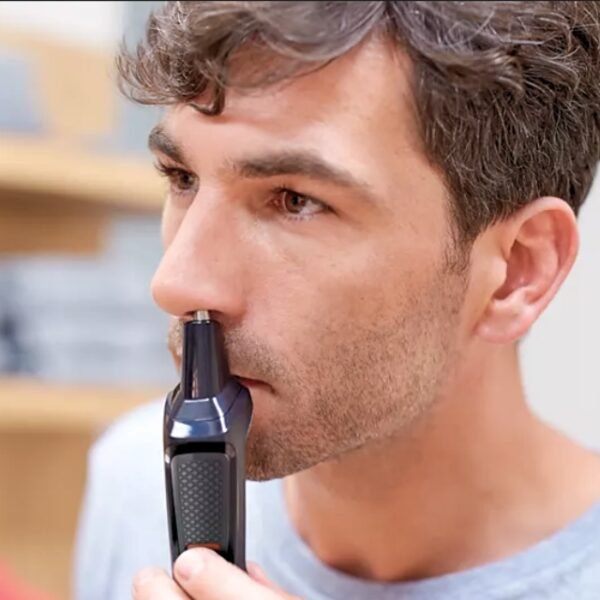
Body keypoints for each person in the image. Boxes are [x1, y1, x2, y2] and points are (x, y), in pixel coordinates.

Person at [73, 2, 600, 599]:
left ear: (518, 271)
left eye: (295, 200)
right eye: (182, 178)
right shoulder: (134, 482)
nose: (174, 282)